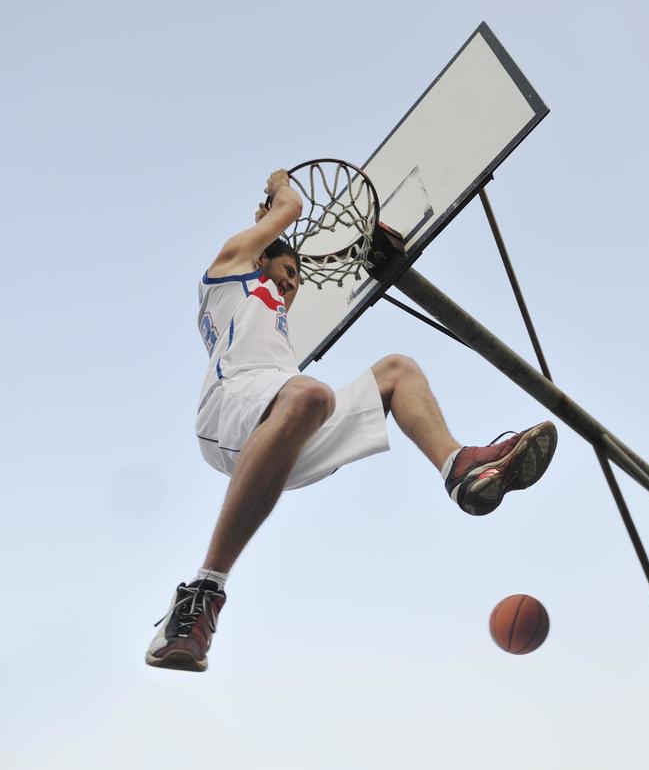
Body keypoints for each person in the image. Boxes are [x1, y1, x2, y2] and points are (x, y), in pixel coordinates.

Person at [146, 169, 557, 671]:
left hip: (281, 425)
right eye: (287, 270)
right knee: (309, 395)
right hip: (232, 405)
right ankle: (201, 595)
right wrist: (279, 191)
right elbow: (291, 210)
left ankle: (458, 467)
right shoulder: (228, 273)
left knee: (396, 371)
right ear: (258, 259)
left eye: (298, 278)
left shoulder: (273, 324)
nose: (293, 283)